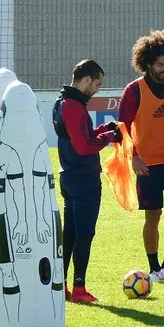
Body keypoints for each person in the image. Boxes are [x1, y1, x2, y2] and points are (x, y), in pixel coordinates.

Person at [118, 30, 164, 284]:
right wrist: (134, 157)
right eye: (160, 65)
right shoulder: (134, 91)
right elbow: (123, 128)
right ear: (147, 64)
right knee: (153, 217)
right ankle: (154, 267)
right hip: (147, 166)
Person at [52, 59, 121, 303]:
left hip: (69, 175)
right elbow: (83, 146)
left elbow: (82, 137)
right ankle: (78, 287)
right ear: (86, 80)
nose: (98, 89)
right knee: (84, 233)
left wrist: (103, 129)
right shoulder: (73, 106)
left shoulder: (63, 103)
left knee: (70, 233)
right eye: (97, 84)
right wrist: (110, 137)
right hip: (83, 178)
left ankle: (60, 285)